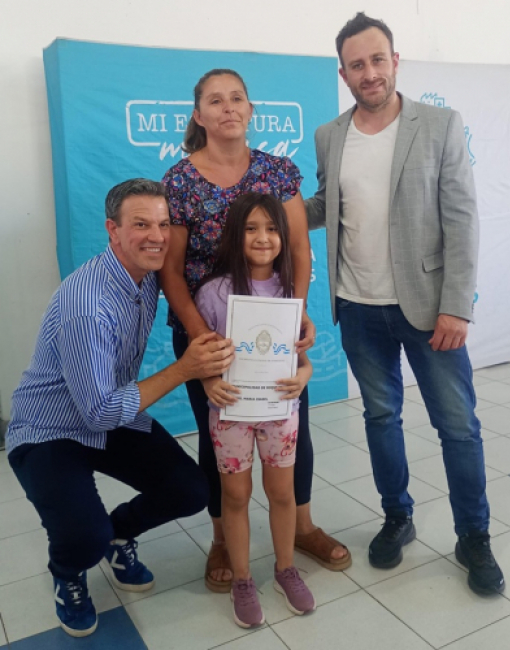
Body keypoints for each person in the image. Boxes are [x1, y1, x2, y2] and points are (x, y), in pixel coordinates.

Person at [306, 12, 505, 595]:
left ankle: (474, 536)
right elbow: (326, 203)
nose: (369, 72)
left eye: (377, 59)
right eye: (357, 64)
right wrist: (272, 206)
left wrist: (457, 306)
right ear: (343, 74)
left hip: (429, 309)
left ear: (395, 61)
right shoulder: (329, 135)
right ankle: (397, 517)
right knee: (380, 418)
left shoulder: (440, 124)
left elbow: (462, 218)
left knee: (458, 427)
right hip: (358, 308)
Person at [6, 179, 234, 638]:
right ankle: (69, 571)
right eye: (141, 225)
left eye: (163, 224)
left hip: (109, 411)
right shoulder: (88, 306)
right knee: (82, 538)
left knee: (192, 490)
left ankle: (119, 532)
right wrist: (185, 368)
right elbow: (100, 413)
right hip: (49, 429)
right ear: (113, 230)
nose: (157, 236)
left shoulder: (146, 276)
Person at [160, 68, 351, 592]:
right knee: (217, 434)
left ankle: (302, 528)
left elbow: (300, 249)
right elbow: (171, 271)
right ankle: (223, 537)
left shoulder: (277, 171)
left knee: (290, 425)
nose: (228, 108)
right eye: (215, 101)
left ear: (250, 110)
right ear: (198, 115)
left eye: (237, 98)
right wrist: (202, 340)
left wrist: (296, 312)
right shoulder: (179, 182)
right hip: (207, 333)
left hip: (274, 330)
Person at [195, 193, 316, 627]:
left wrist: (304, 375)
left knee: (282, 493)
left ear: (283, 236)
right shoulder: (213, 293)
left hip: (280, 410)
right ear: (234, 235)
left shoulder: (290, 293)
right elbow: (203, 357)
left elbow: (300, 359)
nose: (263, 238)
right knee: (235, 496)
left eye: (271, 229)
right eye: (251, 229)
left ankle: (286, 569)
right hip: (230, 412)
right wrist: (209, 382)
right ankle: (243, 579)